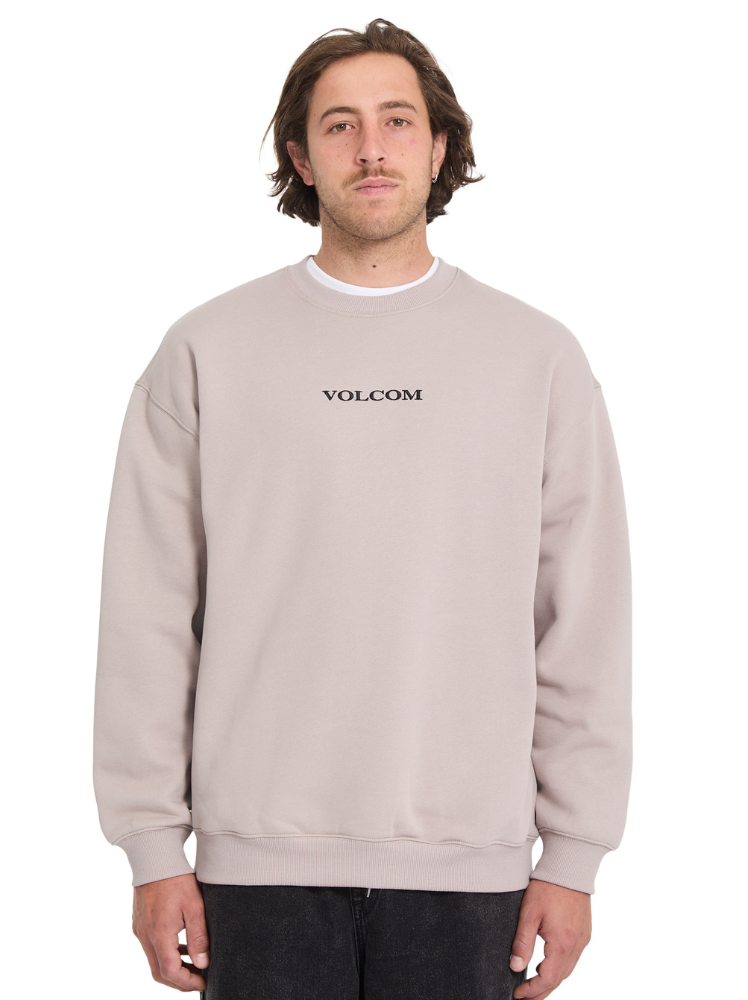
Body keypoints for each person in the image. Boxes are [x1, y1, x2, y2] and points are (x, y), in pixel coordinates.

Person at [92, 17, 632, 1000]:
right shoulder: (208, 349)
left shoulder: (536, 358)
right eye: (339, 125)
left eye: (397, 120)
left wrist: (574, 856)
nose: (371, 148)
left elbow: (581, 623)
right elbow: (148, 613)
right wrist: (151, 847)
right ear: (302, 157)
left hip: (474, 868)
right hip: (251, 867)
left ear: (440, 146)